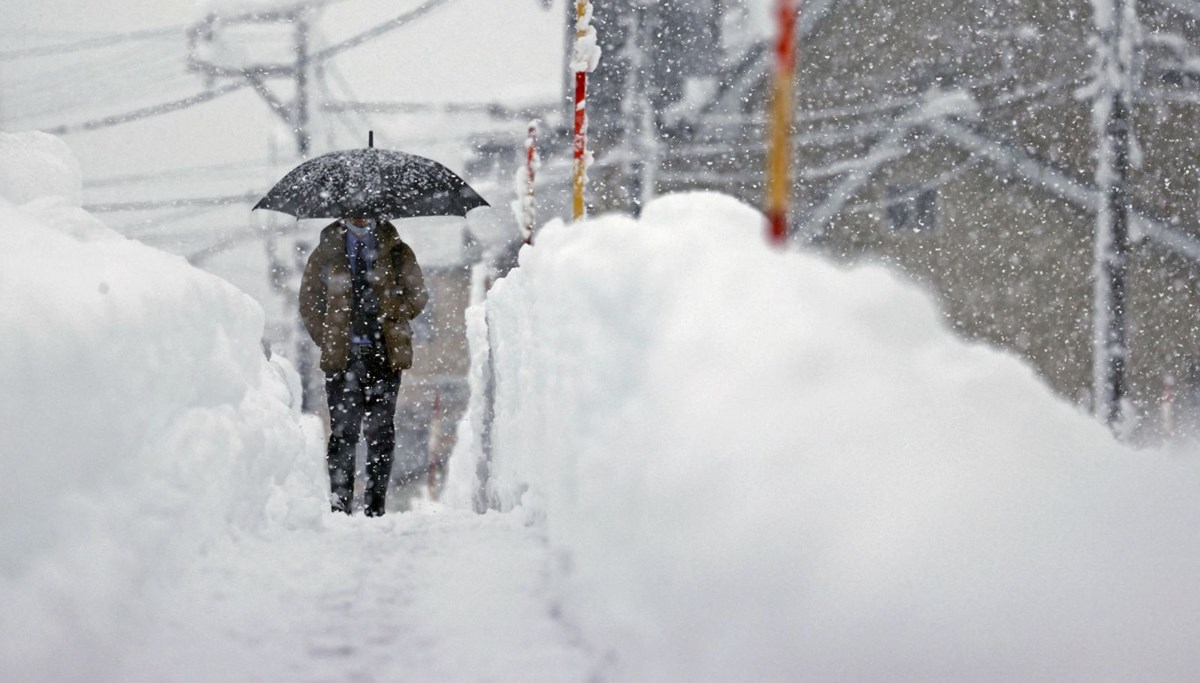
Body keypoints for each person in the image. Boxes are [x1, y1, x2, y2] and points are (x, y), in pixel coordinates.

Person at [299, 216, 428, 516]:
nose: (360, 214)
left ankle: (375, 506)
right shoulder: (326, 253)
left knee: (381, 433)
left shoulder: (398, 251)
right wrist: (329, 336)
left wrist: (393, 310)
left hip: (384, 355)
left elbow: (418, 296)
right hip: (343, 358)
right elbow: (309, 302)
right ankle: (340, 504)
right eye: (353, 208)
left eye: (367, 208)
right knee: (343, 434)